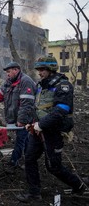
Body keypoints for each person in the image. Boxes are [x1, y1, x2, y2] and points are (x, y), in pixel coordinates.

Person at [16, 56, 87, 202]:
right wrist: (31, 122)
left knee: (53, 166)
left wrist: (41, 125)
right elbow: (37, 107)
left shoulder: (63, 86)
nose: (39, 72)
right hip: (37, 131)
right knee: (29, 158)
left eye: (42, 69)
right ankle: (34, 193)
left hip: (53, 132)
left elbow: (62, 110)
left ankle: (79, 186)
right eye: (39, 70)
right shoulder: (41, 85)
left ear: (51, 69)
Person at [0, 62, 36, 168]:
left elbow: (26, 104)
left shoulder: (25, 82)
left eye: (9, 72)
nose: (7, 74)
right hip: (15, 118)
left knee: (21, 140)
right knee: (26, 139)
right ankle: (29, 159)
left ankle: (14, 162)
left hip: (26, 119)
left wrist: (21, 121)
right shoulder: (8, 82)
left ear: (16, 70)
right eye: (6, 72)